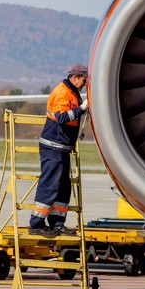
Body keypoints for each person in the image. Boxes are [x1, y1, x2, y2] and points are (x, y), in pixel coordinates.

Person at [29, 63, 89, 237]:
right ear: (74, 78)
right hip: (53, 147)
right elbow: (61, 117)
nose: (85, 84)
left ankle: (57, 223)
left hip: (62, 148)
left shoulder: (72, 92)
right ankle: (36, 223)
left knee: (63, 187)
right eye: (83, 80)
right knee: (50, 185)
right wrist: (82, 109)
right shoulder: (62, 92)